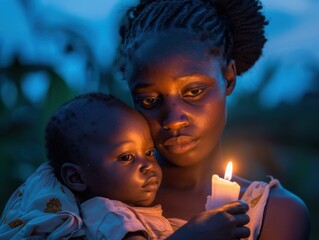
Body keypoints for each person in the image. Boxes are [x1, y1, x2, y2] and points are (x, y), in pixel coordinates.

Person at [115, 0, 311, 239]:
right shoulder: (102, 199)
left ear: (228, 78)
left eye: (194, 91)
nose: (174, 119)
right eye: (149, 101)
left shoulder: (274, 212)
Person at [0, 92, 250, 240]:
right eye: (126, 157)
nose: (148, 165)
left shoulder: (130, 214)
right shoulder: (108, 215)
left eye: (149, 152)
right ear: (76, 177)